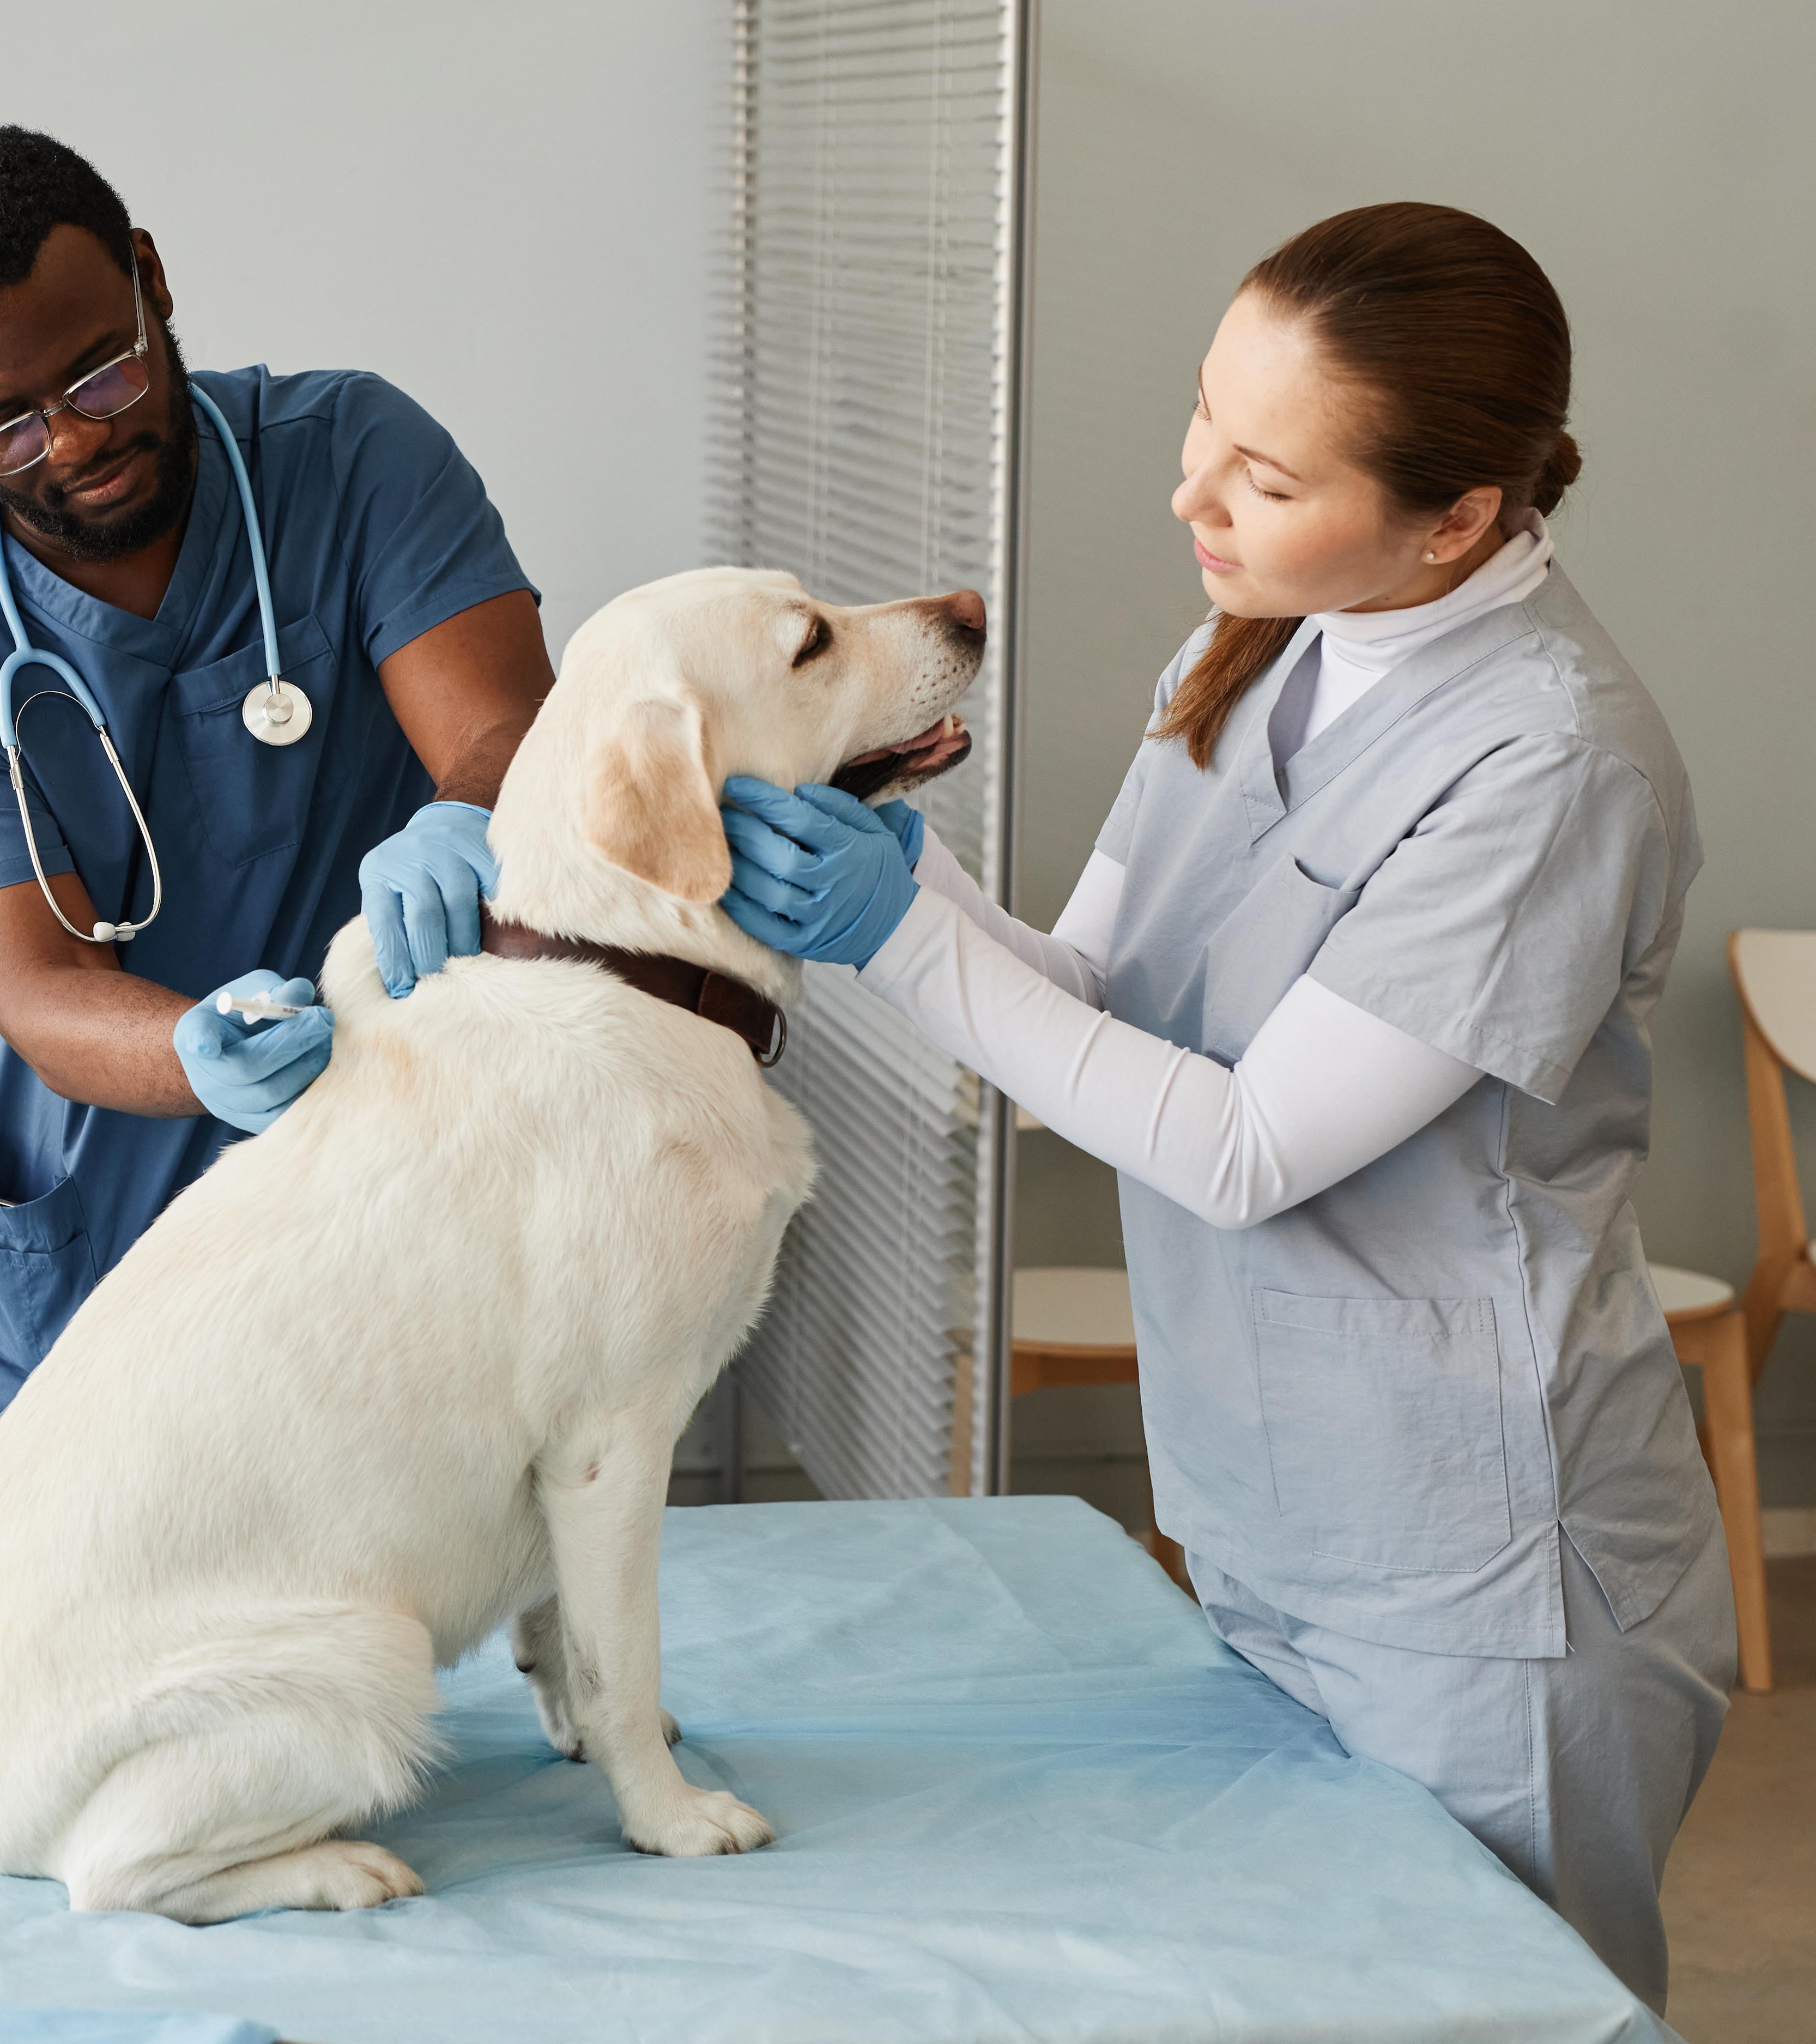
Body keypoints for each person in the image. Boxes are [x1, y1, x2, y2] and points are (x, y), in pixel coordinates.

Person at [713, 203, 1735, 2009]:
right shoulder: (1257, 641)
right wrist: (907, 873)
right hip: (1270, 1520)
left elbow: (1246, 1147)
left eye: (1261, 477)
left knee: (1508, 2008)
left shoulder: (1550, 765)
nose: (1193, 497)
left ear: (1461, 518)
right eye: (1205, 421)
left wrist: (891, 942)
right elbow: (1093, 1004)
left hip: (1483, 1575)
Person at [0, 128, 550, 1534]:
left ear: (153, 280)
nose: (78, 439)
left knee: (380, 1657)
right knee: (3, 1678)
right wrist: (197, 1056)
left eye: (101, 369)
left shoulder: (352, 460)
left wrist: (467, 818)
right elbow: (39, 991)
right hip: (91, 1250)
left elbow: (497, 734)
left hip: (388, 1214)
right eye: (7, 425)